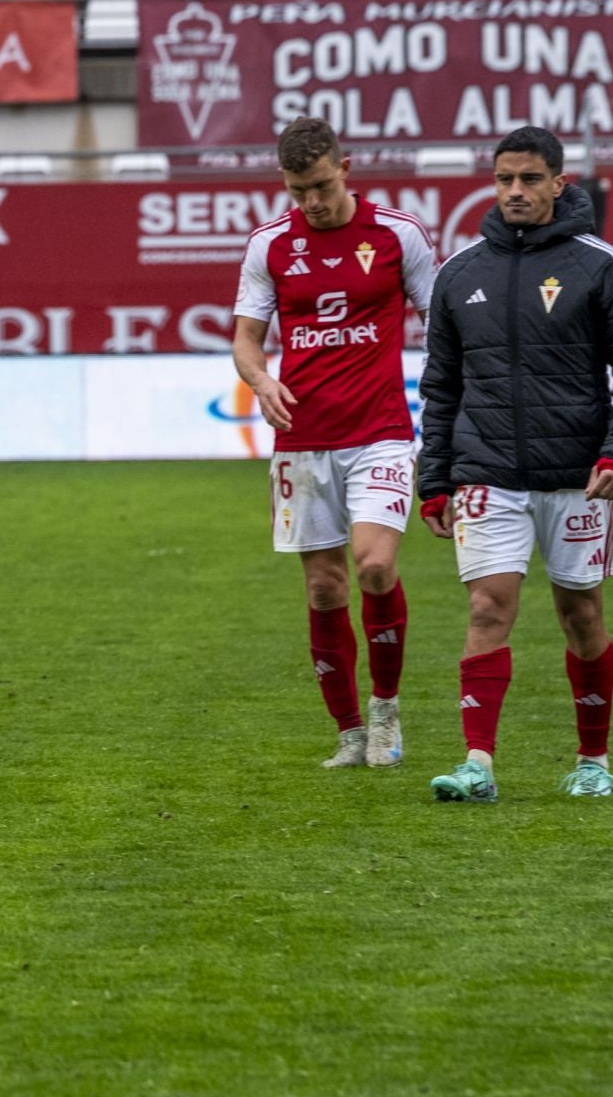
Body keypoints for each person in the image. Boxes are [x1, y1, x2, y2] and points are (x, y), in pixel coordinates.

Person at [418, 126, 613, 803]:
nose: (516, 192)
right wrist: (434, 479)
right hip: (487, 472)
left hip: (576, 475)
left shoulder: (600, 265)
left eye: (530, 179)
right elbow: (440, 387)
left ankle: (593, 761)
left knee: (580, 613)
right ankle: (477, 764)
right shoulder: (459, 274)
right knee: (486, 606)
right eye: (504, 180)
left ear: (560, 183)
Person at [232, 117, 437, 769]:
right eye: (298, 191)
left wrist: (449, 403)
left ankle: (385, 711)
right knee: (324, 589)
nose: (312, 202)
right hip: (303, 439)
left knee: (374, 565)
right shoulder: (269, 246)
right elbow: (245, 339)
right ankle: (348, 732)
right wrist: (261, 378)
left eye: (320, 185)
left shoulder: (398, 234)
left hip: (380, 431)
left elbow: (443, 320)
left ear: (345, 167)